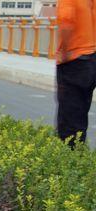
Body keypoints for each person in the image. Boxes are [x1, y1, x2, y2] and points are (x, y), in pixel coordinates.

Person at [55, 0, 96, 145]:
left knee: (69, 122)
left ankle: (71, 156)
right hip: (92, 58)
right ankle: (79, 153)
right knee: (81, 115)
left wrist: (64, 53)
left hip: (75, 60)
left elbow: (66, 23)